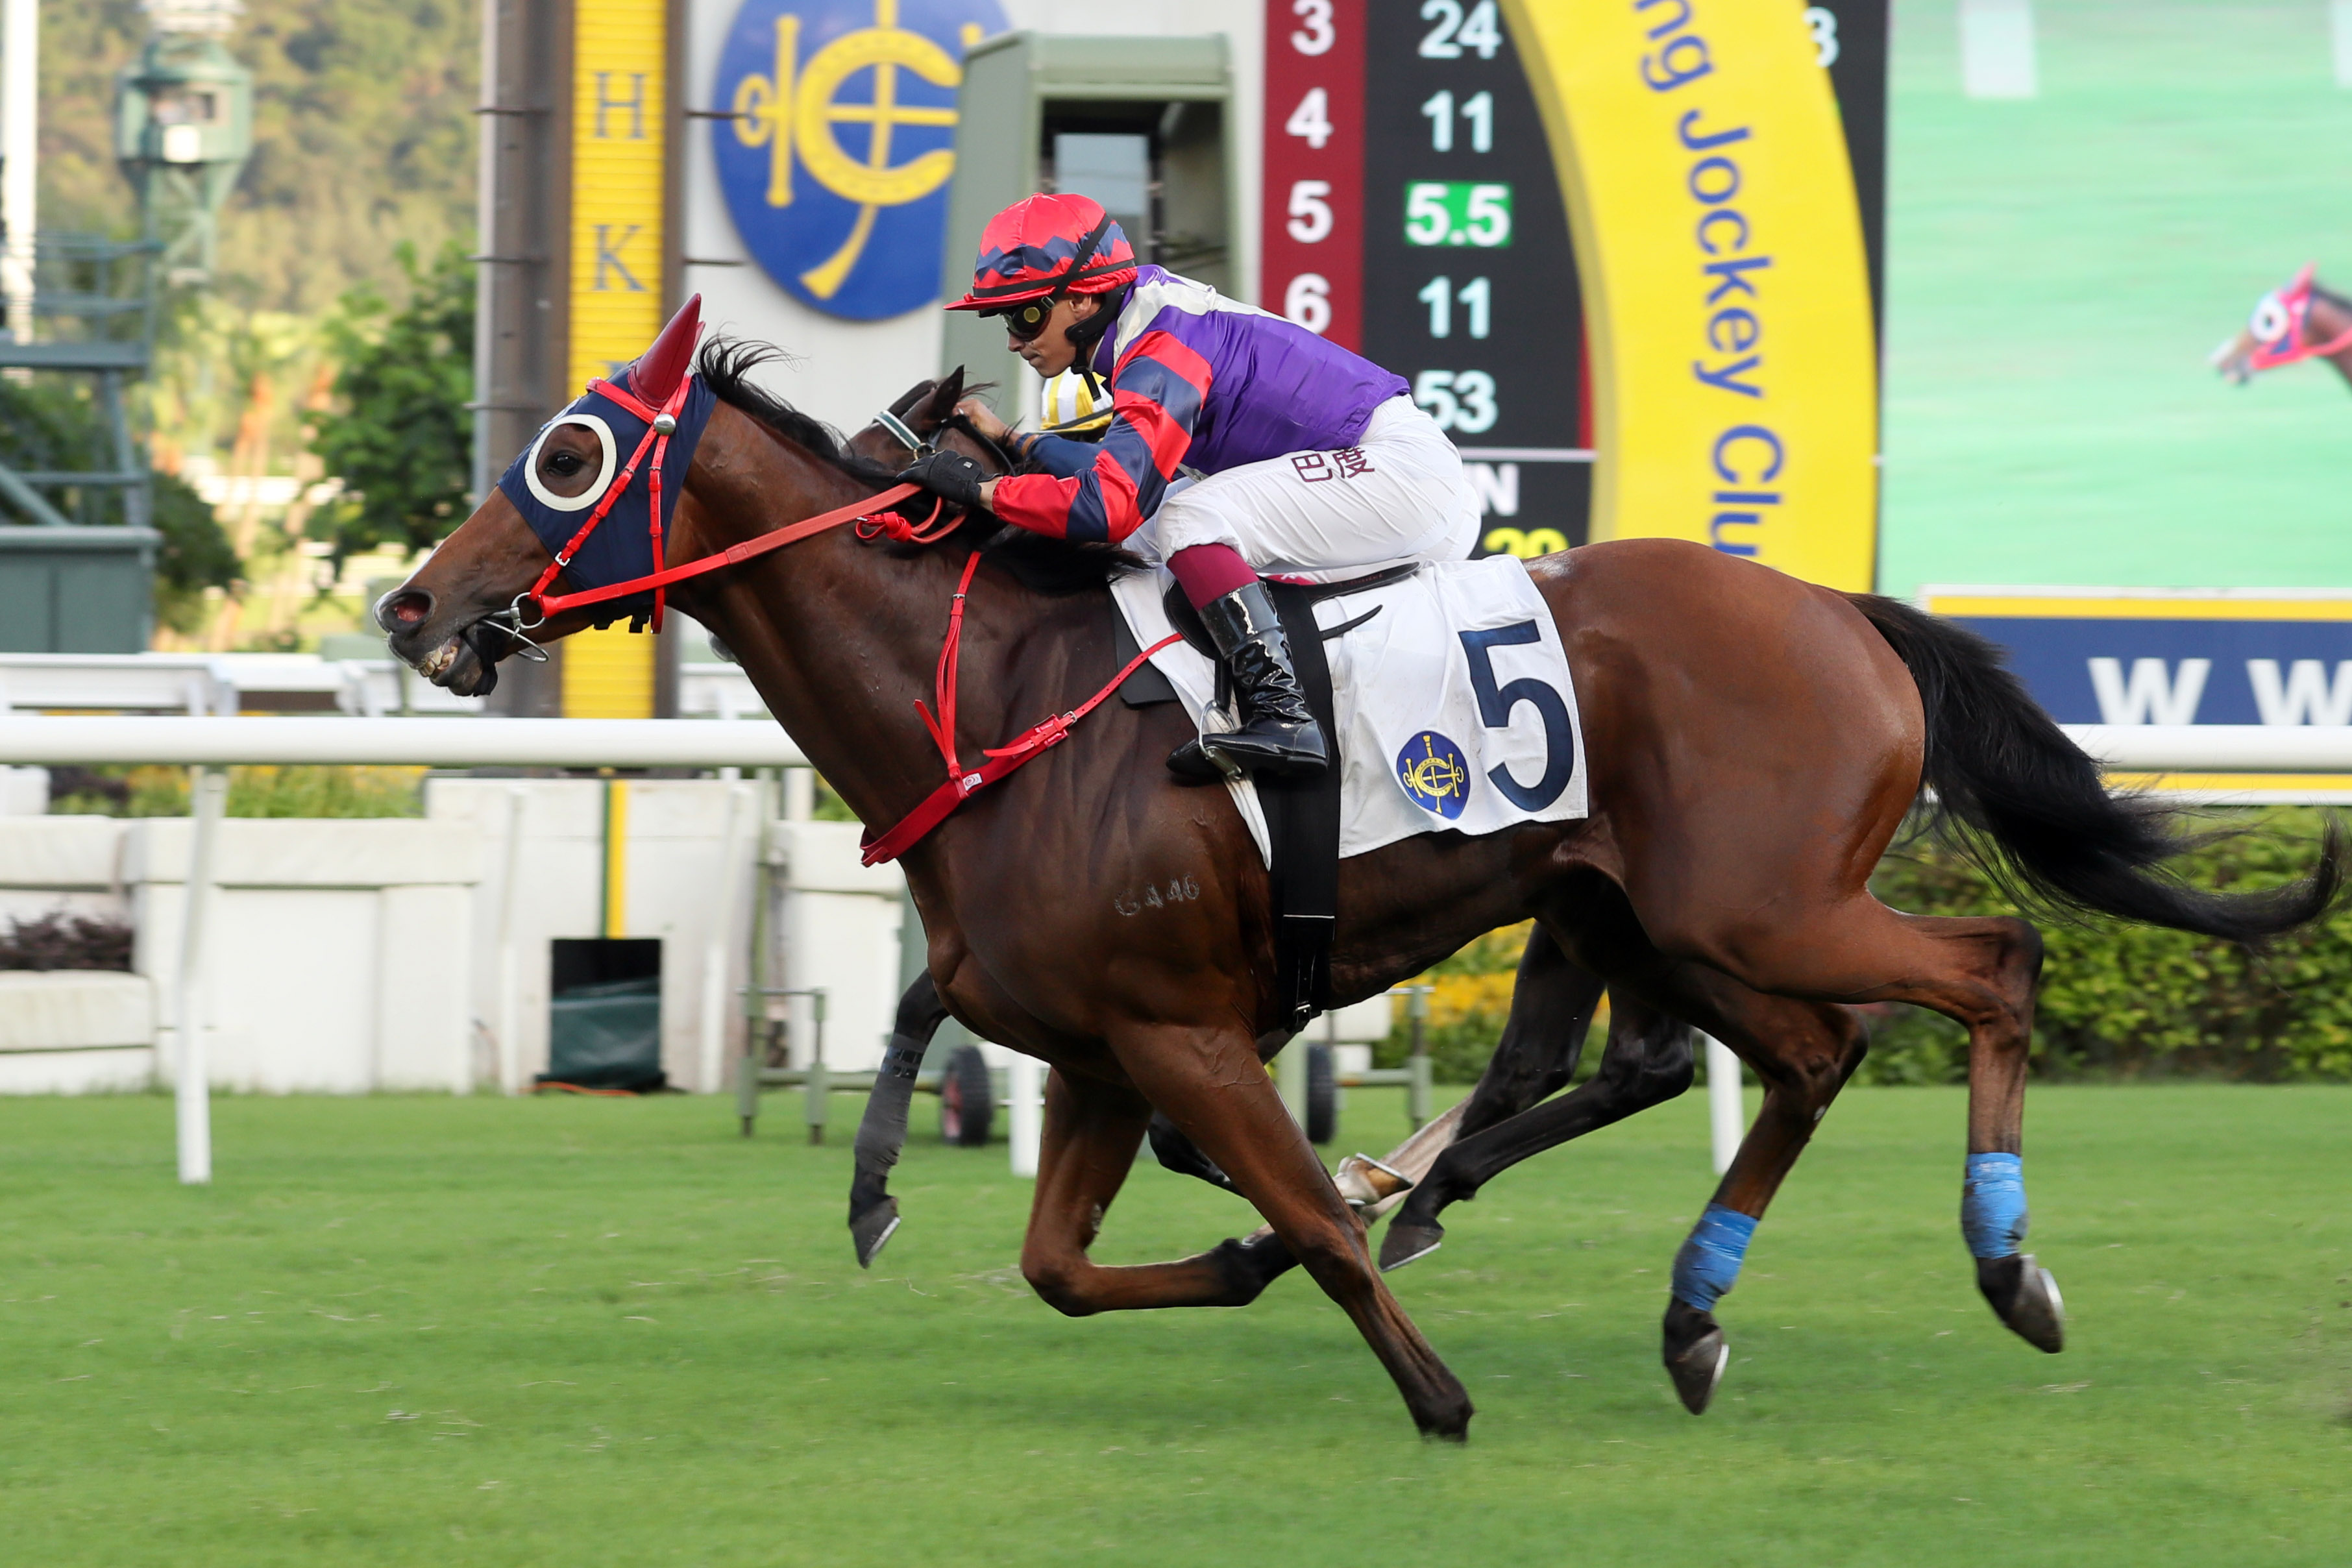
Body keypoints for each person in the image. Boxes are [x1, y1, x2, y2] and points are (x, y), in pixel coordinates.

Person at [896, 192, 1482, 782]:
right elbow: (1116, 475)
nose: (1013, 340)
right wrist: (1017, 445)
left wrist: (980, 491)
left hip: (1400, 472)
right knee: (1161, 526)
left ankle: (1283, 715)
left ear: (1081, 297)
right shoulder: (1140, 323)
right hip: (1379, 479)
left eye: (1024, 316)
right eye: (1005, 319)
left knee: (1186, 521)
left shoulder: (1159, 348)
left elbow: (1108, 508)